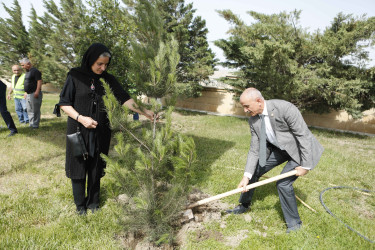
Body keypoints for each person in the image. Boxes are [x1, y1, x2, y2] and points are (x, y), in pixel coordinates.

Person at [56, 43, 155, 215]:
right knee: (78, 165)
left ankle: (93, 203)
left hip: (101, 131)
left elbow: (124, 98)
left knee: (95, 166)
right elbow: (64, 103)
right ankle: (80, 206)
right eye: (99, 64)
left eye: (106, 64)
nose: (103, 68)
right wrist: (81, 118)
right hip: (78, 129)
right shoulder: (75, 75)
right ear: (90, 60)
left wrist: (145, 112)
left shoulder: (108, 80)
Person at [226, 88, 324, 233]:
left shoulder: (285, 108)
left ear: (258, 101)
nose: (245, 110)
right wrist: (246, 175)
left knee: (283, 184)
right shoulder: (253, 121)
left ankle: (295, 225)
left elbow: (303, 136)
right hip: (280, 149)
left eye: (247, 106)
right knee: (254, 171)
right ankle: (244, 205)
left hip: (299, 151)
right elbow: (254, 149)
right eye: (243, 107)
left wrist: (306, 165)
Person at [20, 58, 43, 129]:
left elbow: (39, 81)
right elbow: (28, 83)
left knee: (35, 110)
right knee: (29, 110)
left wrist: (37, 91)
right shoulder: (27, 72)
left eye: (23, 65)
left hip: (34, 93)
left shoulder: (35, 71)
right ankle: (31, 124)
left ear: (28, 64)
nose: (22, 67)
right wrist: (26, 92)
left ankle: (35, 125)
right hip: (28, 94)